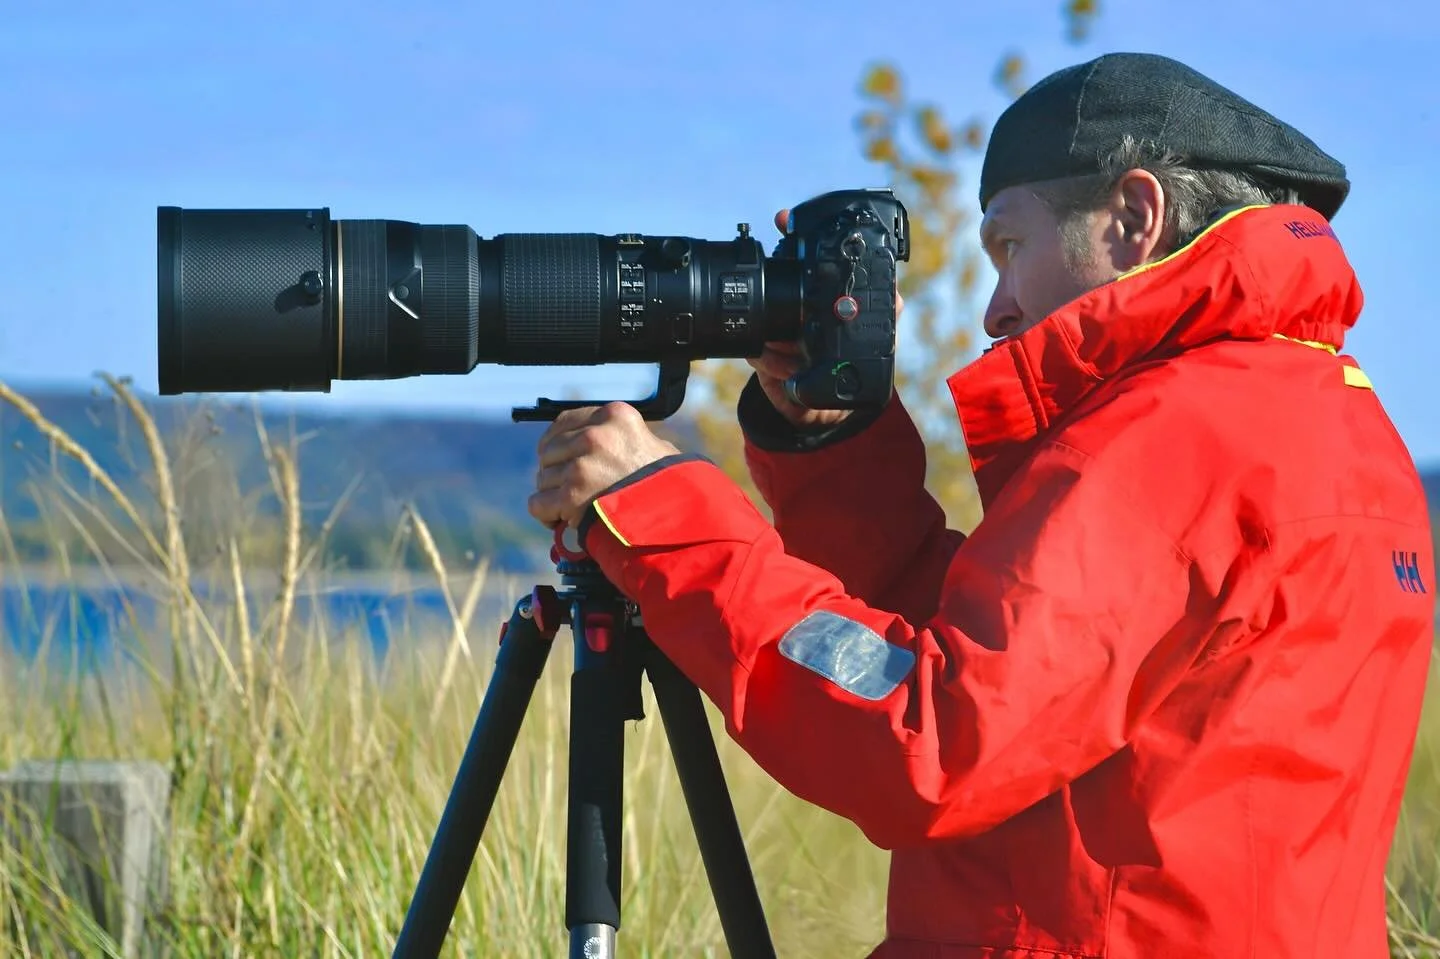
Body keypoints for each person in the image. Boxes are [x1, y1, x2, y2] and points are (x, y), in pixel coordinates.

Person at [526, 52, 1436, 958]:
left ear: (1134, 216)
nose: (996, 307)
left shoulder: (1170, 438)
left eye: (1011, 246)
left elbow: (934, 736)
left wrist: (662, 514)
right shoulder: (1335, 423)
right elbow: (1016, 676)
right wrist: (833, 447)